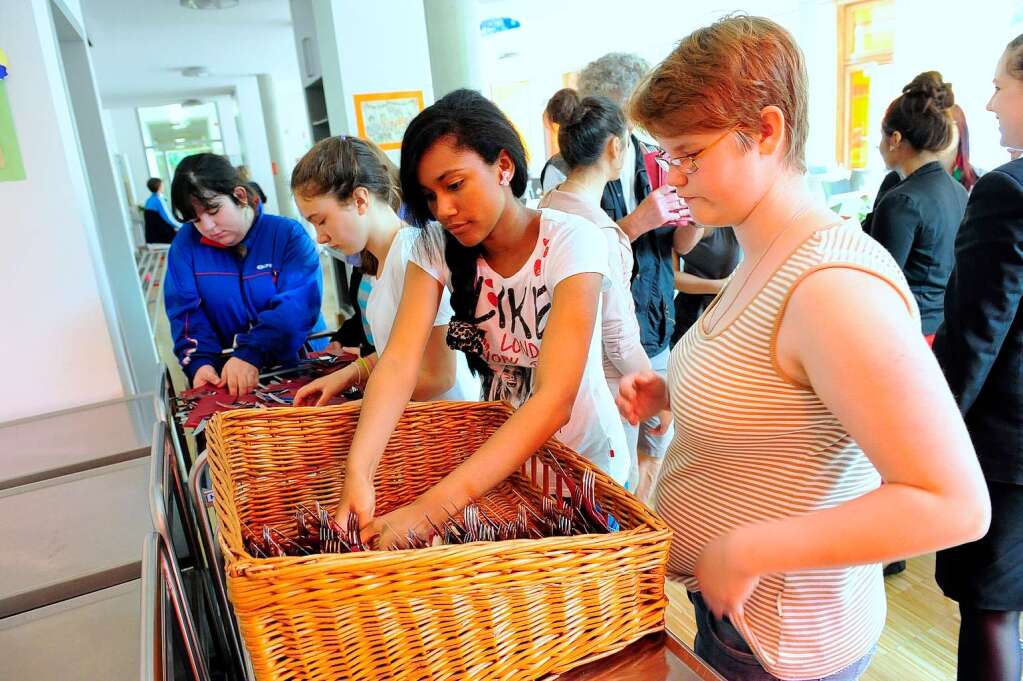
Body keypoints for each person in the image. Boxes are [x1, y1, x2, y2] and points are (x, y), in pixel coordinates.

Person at [620, 16, 990, 680]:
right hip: (740, 618)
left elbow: (954, 502)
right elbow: (776, 383)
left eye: (687, 153)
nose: (670, 177)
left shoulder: (831, 286)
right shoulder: (763, 249)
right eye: (663, 155)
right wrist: (674, 387)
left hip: (782, 642)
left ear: (765, 131)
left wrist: (751, 548)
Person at [336, 89, 630, 548]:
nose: (444, 210)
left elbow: (554, 400)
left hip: (585, 470)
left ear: (504, 166)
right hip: (499, 472)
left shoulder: (573, 241)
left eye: (455, 185)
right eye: (430, 196)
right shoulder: (433, 247)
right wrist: (359, 472)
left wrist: (430, 510)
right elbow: (398, 363)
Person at [541, 53, 697, 499]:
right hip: (607, 383)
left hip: (579, 373)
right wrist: (653, 394)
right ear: (615, 142)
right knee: (614, 498)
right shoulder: (594, 227)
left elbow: (678, 248)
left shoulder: (547, 208)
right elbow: (618, 334)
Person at [933, 33, 1023, 681]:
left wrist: (926, 436)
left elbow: (972, 336)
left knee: (990, 608)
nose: (989, 103)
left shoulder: (1006, 190)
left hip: (1005, 447)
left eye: (999, 84)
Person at [290, 135, 478, 404]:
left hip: (452, 428)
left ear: (360, 200)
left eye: (321, 221)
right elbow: (404, 349)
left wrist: (363, 406)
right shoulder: (385, 259)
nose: (320, 236)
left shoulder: (412, 255)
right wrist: (351, 374)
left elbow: (439, 376)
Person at [164, 153, 327, 396]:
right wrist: (200, 364)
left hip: (301, 370)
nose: (208, 227)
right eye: (196, 219)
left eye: (213, 210)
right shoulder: (186, 245)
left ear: (239, 196)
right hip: (230, 381)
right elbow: (186, 313)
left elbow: (297, 308)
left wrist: (252, 352)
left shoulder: (286, 234)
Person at [867, 72, 968, 342]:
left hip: (906, 333)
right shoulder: (958, 191)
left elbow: (879, 283)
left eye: (881, 136)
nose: (879, 146)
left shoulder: (901, 202)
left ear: (895, 139)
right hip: (943, 329)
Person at [671, 226, 740, 344]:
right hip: (689, 306)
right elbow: (671, 278)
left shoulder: (732, 221)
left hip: (731, 305)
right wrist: (720, 286)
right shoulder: (671, 224)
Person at [143, 177, 178, 244]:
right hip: (162, 236)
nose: (163, 187)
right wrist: (181, 226)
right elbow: (168, 218)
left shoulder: (149, 201)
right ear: (159, 187)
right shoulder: (159, 200)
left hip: (151, 237)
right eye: (162, 185)